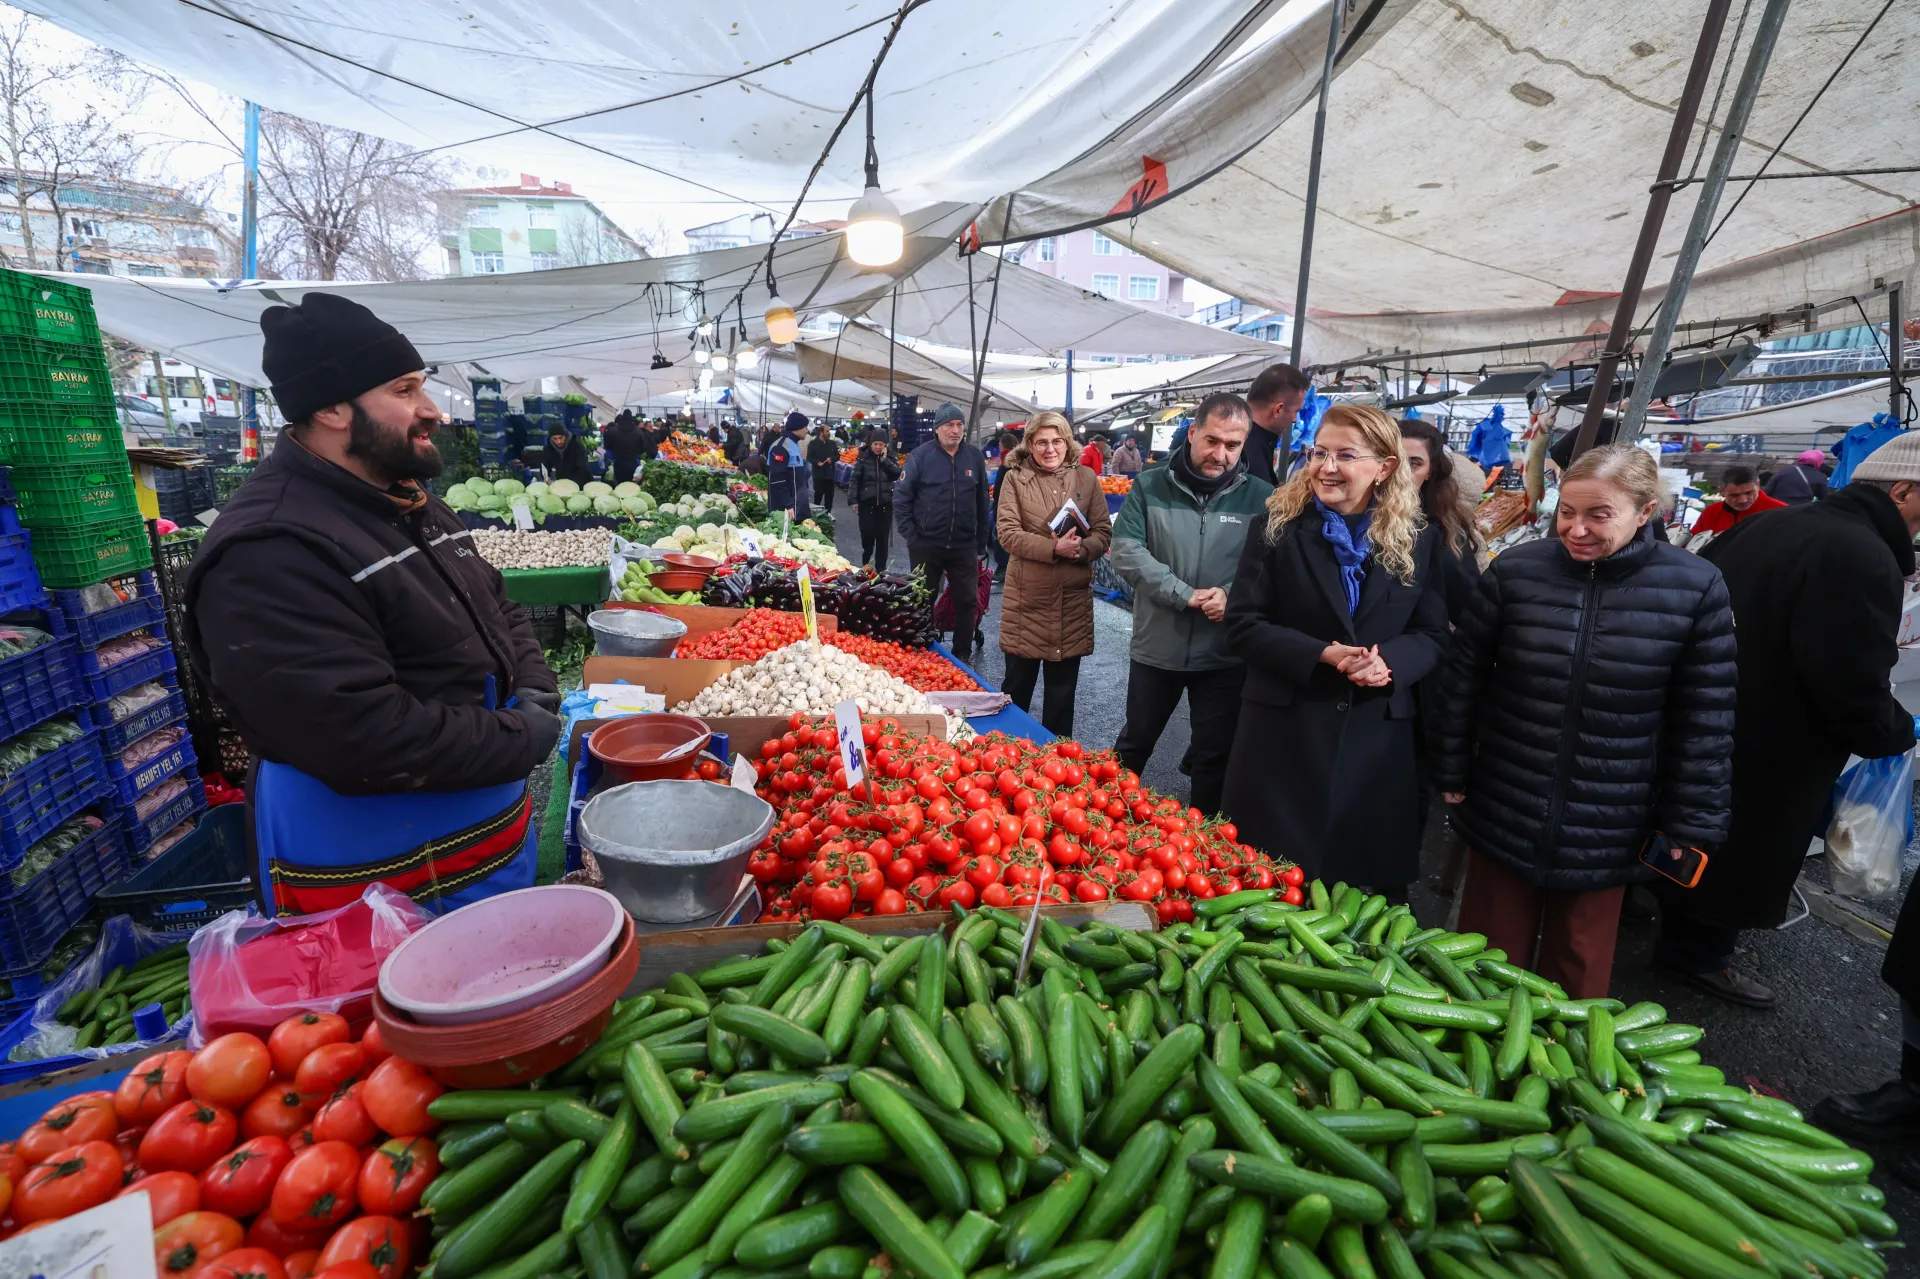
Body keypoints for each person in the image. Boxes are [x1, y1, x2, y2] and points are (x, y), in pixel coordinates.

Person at [183, 293, 558, 916]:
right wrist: (518, 736)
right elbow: (356, 735)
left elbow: (497, 603)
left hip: (480, 840)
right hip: (370, 882)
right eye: (405, 390)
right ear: (330, 408)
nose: (431, 410)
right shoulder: (271, 549)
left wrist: (536, 686)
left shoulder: (407, 501)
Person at [1433, 444, 1737, 998]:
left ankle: (1562, 1075)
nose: (1576, 529)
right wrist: (1451, 769)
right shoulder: (1517, 573)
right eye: (1567, 512)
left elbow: (1705, 718)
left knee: (1578, 966)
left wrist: (1692, 820)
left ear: (1645, 512)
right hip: (1508, 793)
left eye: (1599, 515)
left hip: (1614, 812)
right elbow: (1464, 680)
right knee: (1484, 961)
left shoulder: (1695, 587)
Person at [1656, 438, 1920, 1007]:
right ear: (1901, 491)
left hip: (1702, 718)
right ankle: (1698, 957)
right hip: (1775, 741)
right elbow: (1848, 678)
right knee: (1741, 854)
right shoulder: (1861, 553)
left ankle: (1672, 927)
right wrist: (1895, 731)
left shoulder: (1771, 527)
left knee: (1688, 832)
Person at [1220, 405, 1449, 893]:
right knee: (1268, 883)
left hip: (1374, 741)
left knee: (1359, 893)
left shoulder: (1418, 540)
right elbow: (1242, 625)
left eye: (1346, 455)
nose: (1327, 467)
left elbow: (1432, 634)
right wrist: (1321, 654)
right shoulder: (1277, 528)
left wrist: (1389, 660)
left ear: (1385, 467)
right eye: (1319, 452)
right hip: (1284, 736)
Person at [1110, 393, 1273, 815]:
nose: (1220, 454)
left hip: (1223, 654)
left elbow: (1271, 564)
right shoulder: (1150, 484)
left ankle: (1203, 845)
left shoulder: (1262, 496)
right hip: (1157, 647)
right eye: (1212, 441)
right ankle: (1105, 823)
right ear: (1193, 432)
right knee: (1133, 744)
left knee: (1214, 755)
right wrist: (1182, 594)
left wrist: (1232, 595)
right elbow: (1126, 551)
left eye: (1232, 446)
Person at [994, 412, 1113, 736]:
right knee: (1015, 694)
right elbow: (1007, 534)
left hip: (1070, 606)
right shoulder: (1014, 478)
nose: (1050, 449)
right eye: (1042, 442)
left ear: (1067, 442)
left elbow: (1103, 531)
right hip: (1026, 605)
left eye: (1057, 441)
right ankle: (1006, 764)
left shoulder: (1086, 478)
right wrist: (1053, 549)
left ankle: (1058, 768)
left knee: (1061, 700)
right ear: (1029, 443)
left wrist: (1083, 549)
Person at [895, 402, 990, 656]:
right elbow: (902, 498)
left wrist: (981, 540)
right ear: (938, 428)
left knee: (968, 600)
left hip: (964, 544)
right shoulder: (921, 456)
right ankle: (924, 647)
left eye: (959, 425)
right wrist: (912, 536)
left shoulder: (974, 457)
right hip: (927, 542)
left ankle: (961, 653)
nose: (955, 430)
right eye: (949, 425)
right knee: (923, 597)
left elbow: (983, 500)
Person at [1397, 418, 1484, 620]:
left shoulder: (1446, 527)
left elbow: (1467, 604)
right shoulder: (1356, 517)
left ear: (1430, 471)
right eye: (1395, 460)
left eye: (1413, 463)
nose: (1401, 473)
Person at [1243, 364, 1311, 486]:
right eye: (1295, 411)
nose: (1295, 419)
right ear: (1278, 410)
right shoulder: (1250, 455)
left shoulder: (1243, 439)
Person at [848, 429, 903, 569]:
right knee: (867, 534)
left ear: (886, 445)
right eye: (876, 444)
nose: (878, 447)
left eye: (881, 444)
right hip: (867, 504)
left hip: (885, 505)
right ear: (871, 443)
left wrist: (885, 461)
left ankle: (880, 569)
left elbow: (898, 474)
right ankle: (866, 561)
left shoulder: (890, 457)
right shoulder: (863, 457)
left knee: (883, 538)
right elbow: (855, 479)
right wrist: (853, 500)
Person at [1688, 465, 1785, 539]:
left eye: (1749, 493)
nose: (1743, 500)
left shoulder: (1780, 512)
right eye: (1734, 495)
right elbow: (1694, 542)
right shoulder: (1712, 512)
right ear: (1721, 492)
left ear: (1758, 485)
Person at [989, 429, 1021, 584]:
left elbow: (1001, 488)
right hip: (1017, 505)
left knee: (1000, 536)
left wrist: (997, 505)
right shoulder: (1022, 459)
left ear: (1002, 445)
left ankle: (1003, 568)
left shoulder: (1006, 461)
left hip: (1004, 505)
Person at [767, 412, 811, 518]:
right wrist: (789, 505)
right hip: (786, 509)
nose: (807, 430)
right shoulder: (781, 447)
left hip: (796, 505)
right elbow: (777, 479)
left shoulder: (792, 444)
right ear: (797, 428)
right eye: (805, 427)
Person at [1765, 448, 1831, 505]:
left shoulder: (1784, 471)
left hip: (1776, 509)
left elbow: (1767, 491)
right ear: (1819, 461)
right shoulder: (1820, 477)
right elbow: (1824, 498)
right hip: (1799, 511)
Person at [602, 409, 645, 484]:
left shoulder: (612, 430)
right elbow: (642, 447)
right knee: (633, 483)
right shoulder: (638, 432)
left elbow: (607, 446)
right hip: (633, 461)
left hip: (618, 462)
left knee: (619, 483)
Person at [807, 424, 839, 514]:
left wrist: (831, 459)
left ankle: (828, 513)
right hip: (818, 474)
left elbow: (837, 456)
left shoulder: (832, 443)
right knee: (818, 495)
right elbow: (809, 457)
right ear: (821, 432)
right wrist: (817, 462)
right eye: (827, 431)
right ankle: (815, 514)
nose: (829, 433)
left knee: (829, 496)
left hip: (830, 474)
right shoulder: (813, 443)